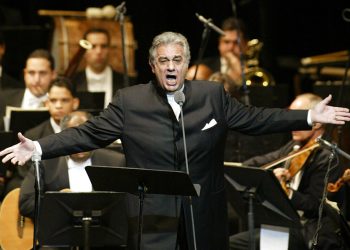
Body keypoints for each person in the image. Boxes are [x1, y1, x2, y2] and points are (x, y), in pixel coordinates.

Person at [0, 31, 350, 250]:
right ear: (153, 66)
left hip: (204, 214)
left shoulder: (212, 95)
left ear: (186, 64)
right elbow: (88, 133)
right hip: (153, 218)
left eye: (177, 60)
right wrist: (40, 147)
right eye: (163, 60)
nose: (171, 67)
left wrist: (308, 116)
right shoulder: (130, 101)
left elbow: (255, 118)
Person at [229, 93, 348, 250]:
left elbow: (316, 206)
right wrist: (240, 168)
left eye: (299, 117)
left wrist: (287, 192)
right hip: (285, 224)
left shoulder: (327, 156)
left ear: (317, 122)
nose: (293, 124)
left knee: (235, 244)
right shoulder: (294, 147)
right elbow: (261, 161)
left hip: (307, 231)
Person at [19, 110, 126, 219]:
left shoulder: (115, 161)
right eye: (74, 139)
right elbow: (26, 204)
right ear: (64, 138)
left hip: (103, 231)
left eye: (87, 137)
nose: (81, 144)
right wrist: (58, 202)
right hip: (60, 230)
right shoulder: (45, 163)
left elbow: (128, 204)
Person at [71, 28, 130, 108]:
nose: (99, 51)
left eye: (104, 46)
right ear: (84, 51)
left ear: (109, 49)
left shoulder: (126, 82)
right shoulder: (73, 81)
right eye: (93, 46)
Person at [187, 17, 248, 84]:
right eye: (226, 42)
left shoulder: (254, 67)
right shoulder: (202, 65)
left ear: (245, 45)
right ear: (219, 44)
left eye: (236, 42)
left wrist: (237, 64)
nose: (231, 47)